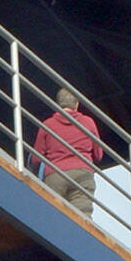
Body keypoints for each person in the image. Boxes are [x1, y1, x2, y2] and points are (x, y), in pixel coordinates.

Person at [32, 84, 104, 218]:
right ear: (77, 104)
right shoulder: (88, 122)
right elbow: (98, 154)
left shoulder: (48, 125)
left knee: (54, 215)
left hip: (55, 173)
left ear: (58, 104)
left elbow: (36, 158)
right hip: (82, 172)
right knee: (82, 217)